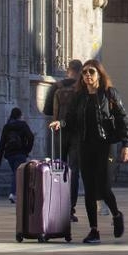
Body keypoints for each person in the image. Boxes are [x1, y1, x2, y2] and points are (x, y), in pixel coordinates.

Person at [51, 59, 128, 245]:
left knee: (103, 188)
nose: (88, 75)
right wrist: (61, 123)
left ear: (99, 74)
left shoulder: (109, 94)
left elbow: (124, 118)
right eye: (85, 72)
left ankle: (117, 215)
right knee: (88, 189)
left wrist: (126, 144)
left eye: (92, 72)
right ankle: (94, 230)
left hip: (106, 145)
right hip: (85, 145)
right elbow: (70, 119)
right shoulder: (79, 96)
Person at [42, 59, 83, 220]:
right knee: (73, 171)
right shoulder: (82, 88)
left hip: (59, 132)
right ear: (80, 71)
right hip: (77, 134)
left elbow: (47, 111)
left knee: (57, 169)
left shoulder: (56, 87)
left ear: (68, 70)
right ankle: (70, 209)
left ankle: (57, 206)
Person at [0, 107, 34, 204]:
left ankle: (18, 194)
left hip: (10, 155)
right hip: (20, 153)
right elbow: (31, 137)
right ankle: (13, 194)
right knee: (17, 174)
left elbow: (2, 143)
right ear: (20, 115)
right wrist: (27, 150)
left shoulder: (7, 126)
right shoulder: (23, 125)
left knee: (17, 173)